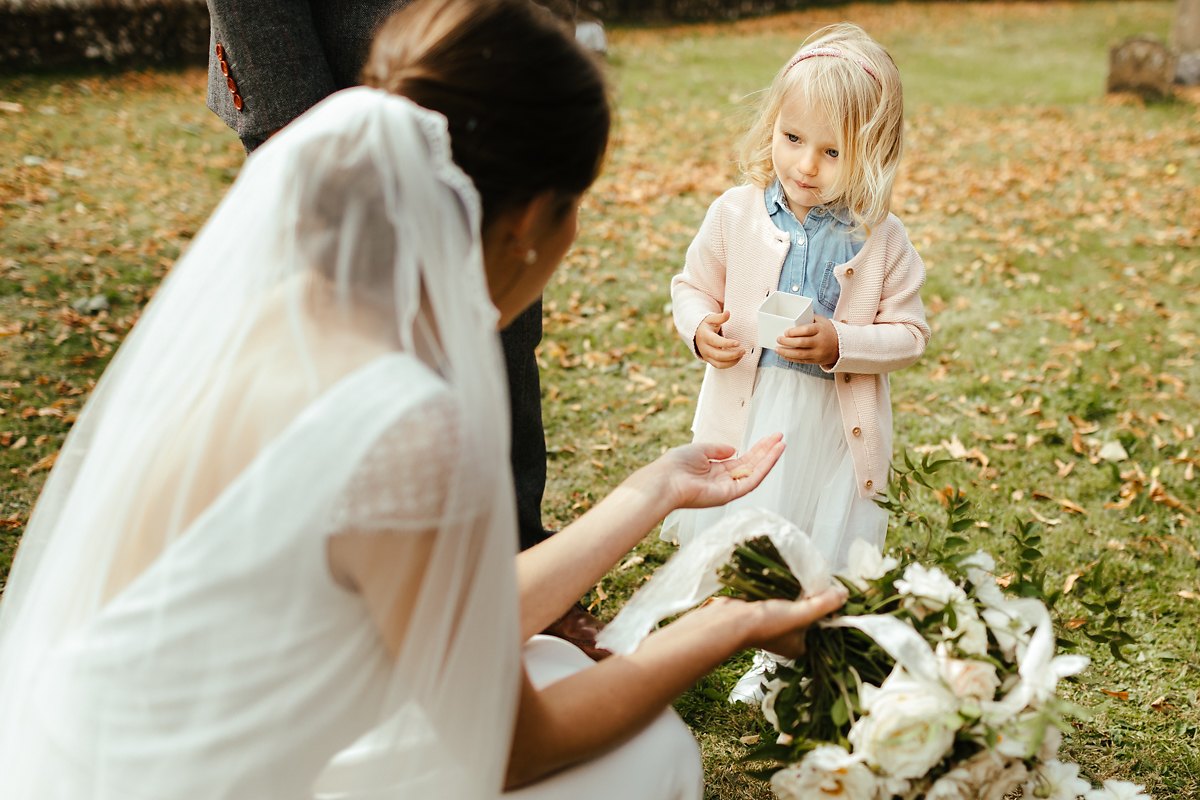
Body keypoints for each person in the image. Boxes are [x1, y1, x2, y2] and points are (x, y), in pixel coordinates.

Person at [0, 1, 846, 797]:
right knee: (648, 753)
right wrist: (720, 629)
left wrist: (653, 492)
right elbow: (514, 743)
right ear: (527, 224)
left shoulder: (289, 314)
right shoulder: (410, 424)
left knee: (557, 665)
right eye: (574, 206)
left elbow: (447, 607)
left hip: (96, 746)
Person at [204, 0, 607, 653]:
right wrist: (310, 129)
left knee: (501, 346)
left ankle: (515, 558)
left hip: (497, 72)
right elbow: (522, 746)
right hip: (347, 77)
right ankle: (386, 589)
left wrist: (548, 45)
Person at [662, 23, 930, 701]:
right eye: (792, 139)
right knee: (754, 534)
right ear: (772, 127)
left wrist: (842, 343)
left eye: (833, 151)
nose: (806, 165)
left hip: (832, 426)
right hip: (753, 410)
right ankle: (739, 631)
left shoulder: (880, 239)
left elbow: (910, 333)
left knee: (814, 536)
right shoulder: (735, 214)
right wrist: (701, 330)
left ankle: (784, 664)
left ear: (872, 152)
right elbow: (690, 287)